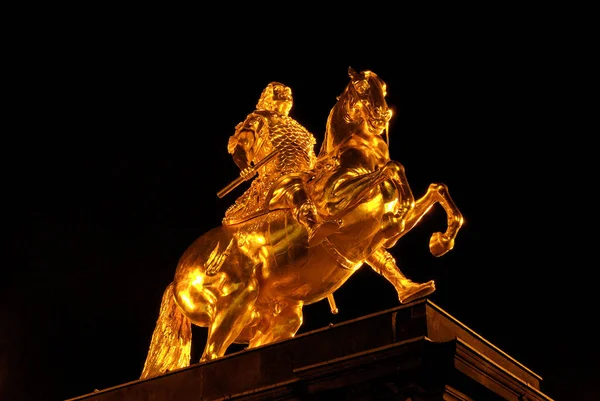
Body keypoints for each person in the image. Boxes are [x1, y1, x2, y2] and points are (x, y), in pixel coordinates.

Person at [223, 81, 339, 245]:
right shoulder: (259, 119)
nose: (286, 96)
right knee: (293, 185)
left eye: (288, 94)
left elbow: (310, 156)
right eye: (280, 93)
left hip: (306, 174)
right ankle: (312, 225)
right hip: (276, 178)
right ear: (269, 97)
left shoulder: (296, 126)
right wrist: (244, 167)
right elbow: (241, 145)